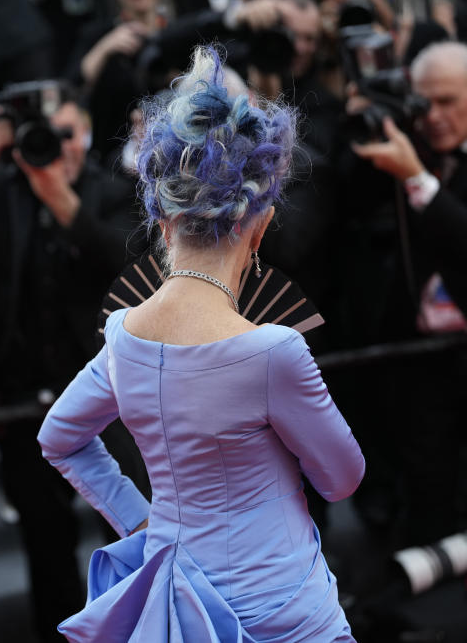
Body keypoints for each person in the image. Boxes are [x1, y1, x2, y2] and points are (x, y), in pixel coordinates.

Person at [37, 47, 365, 641]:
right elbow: (341, 479)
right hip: (282, 608)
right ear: (258, 222)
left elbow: (59, 437)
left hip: (175, 605)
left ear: (160, 218)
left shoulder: (122, 337)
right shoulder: (273, 351)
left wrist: (142, 523)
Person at [0, 84, 147, 642]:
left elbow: (128, 265)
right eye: (47, 136)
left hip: (114, 396)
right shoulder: (4, 189)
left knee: (132, 524)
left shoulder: (111, 190)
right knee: (43, 537)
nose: (60, 147)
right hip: (25, 391)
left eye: (70, 134)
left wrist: (61, 201)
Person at [346, 40, 467, 546]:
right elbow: (345, 208)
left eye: (448, 102)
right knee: (430, 492)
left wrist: (416, 178)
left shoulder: (415, 166)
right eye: (423, 103)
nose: (432, 116)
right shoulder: (404, 147)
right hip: (414, 357)